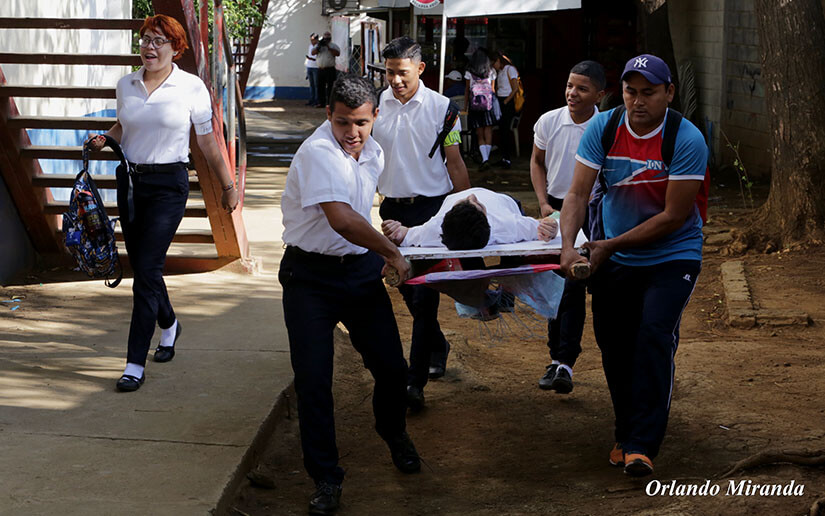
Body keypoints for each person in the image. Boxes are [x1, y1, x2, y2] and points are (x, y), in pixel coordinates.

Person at [560, 54, 708, 477]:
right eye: (630, 92)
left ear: (669, 93)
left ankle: (642, 443)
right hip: (614, 256)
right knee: (615, 345)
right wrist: (569, 246)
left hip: (672, 255)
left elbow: (674, 216)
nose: (638, 102)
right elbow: (575, 194)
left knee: (653, 337)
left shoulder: (685, 138)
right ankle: (625, 433)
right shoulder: (604, 128)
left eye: (648, 93)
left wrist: (607, 245)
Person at [279, 74, 421, 515]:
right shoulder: (319, 152)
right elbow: (340, 218)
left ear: (375, 116)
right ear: (328, 115)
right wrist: (392, 252)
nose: (352, 133)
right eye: (342, 122)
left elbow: (359, 213)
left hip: (358, 273)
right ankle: (326, 478)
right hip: (310, 279)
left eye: (360, 122)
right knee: (315, 382)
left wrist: (385, 235)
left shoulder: (371, 152)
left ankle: (393, 431)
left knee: (393, 370)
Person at [87, 14, 238, 392]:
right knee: (145, 267)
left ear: (176, 48)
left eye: (159, 41)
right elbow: (125, 125)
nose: (150, 48)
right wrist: (105, 138)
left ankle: (134, 362)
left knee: (147, 271)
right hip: (131, 182)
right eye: (145, 40)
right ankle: (169, 324)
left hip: (169, 184)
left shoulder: (191, 88)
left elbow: (206, 143)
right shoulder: (126, 84)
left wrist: (227, 185)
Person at [373, 36, 471, 409]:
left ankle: (413, 384)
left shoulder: (445, 110)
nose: (395, 80)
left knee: (424, 296)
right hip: (391, 212)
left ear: (420, 69)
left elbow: (455, 161)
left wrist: (464, 208)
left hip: (430, 212)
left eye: (401, 72)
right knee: (405, 286)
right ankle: (438, 345)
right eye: (389, 73)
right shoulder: (376, 106)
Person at [530, 61, 605, 394]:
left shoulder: (605, 126)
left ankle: (565, 360)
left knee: (580, 286)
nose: (573, 93)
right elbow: (537, 160)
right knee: (558, 285)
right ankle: (558, 359)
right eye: (570, 86)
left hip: (595, 212)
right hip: (559, 211)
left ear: (600, 95)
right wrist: (544, 203)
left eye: (582, 88)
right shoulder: (549, 121)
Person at [382, 187, 558, 249]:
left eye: (467, 201)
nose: (472, 195)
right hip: (503, 202)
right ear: (487, 217)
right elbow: (546, 226)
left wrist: (394, 229)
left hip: (507, 201)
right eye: (476, 204)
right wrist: (549, 228)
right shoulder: (508, 225)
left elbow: (403, 235)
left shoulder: (434, 228)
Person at [464, 48, 499, 169]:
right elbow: (493, 90)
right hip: (488, 105)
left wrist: (465, 106)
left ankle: (484, 159)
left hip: (475, 105)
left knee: (479, 133)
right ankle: (487, 158)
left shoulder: (469, 72)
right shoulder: (491, 71)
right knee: (488, 130)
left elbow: (468, 90)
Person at [490, 51, 520, 169]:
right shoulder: (500, 71)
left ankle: (507, 158)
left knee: (506, 130)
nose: (494, 67)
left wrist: (506, 101)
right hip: (500, 100)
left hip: (507, 101)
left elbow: (515, 88)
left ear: (498, 61)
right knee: (501, 130)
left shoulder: (510, 69)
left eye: (494, 63)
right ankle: (503, 156)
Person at [312, 31, 340, 108]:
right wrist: (319, 47)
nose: (326, 39)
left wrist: (328, 47)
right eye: (325, 37)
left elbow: (337, 54)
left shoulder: (333, 45)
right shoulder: (319, 45)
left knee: (331, 87)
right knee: (320, 86)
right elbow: (313, 53)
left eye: (328, 37)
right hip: (321, 69)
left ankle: (330, 103)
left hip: (330, 69)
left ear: (330, 38)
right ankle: (321, 102)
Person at [304, 33, 320, 106]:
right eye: (311, 40)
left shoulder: (319, 46)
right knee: (311, 84)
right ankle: (312, 99)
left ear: (317, 40)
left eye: (313, 40)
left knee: (316, 85)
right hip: (309, 66)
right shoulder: (310, 46)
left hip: (316, 66)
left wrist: (312, 59)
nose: (312, 41)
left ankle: (317, 100)